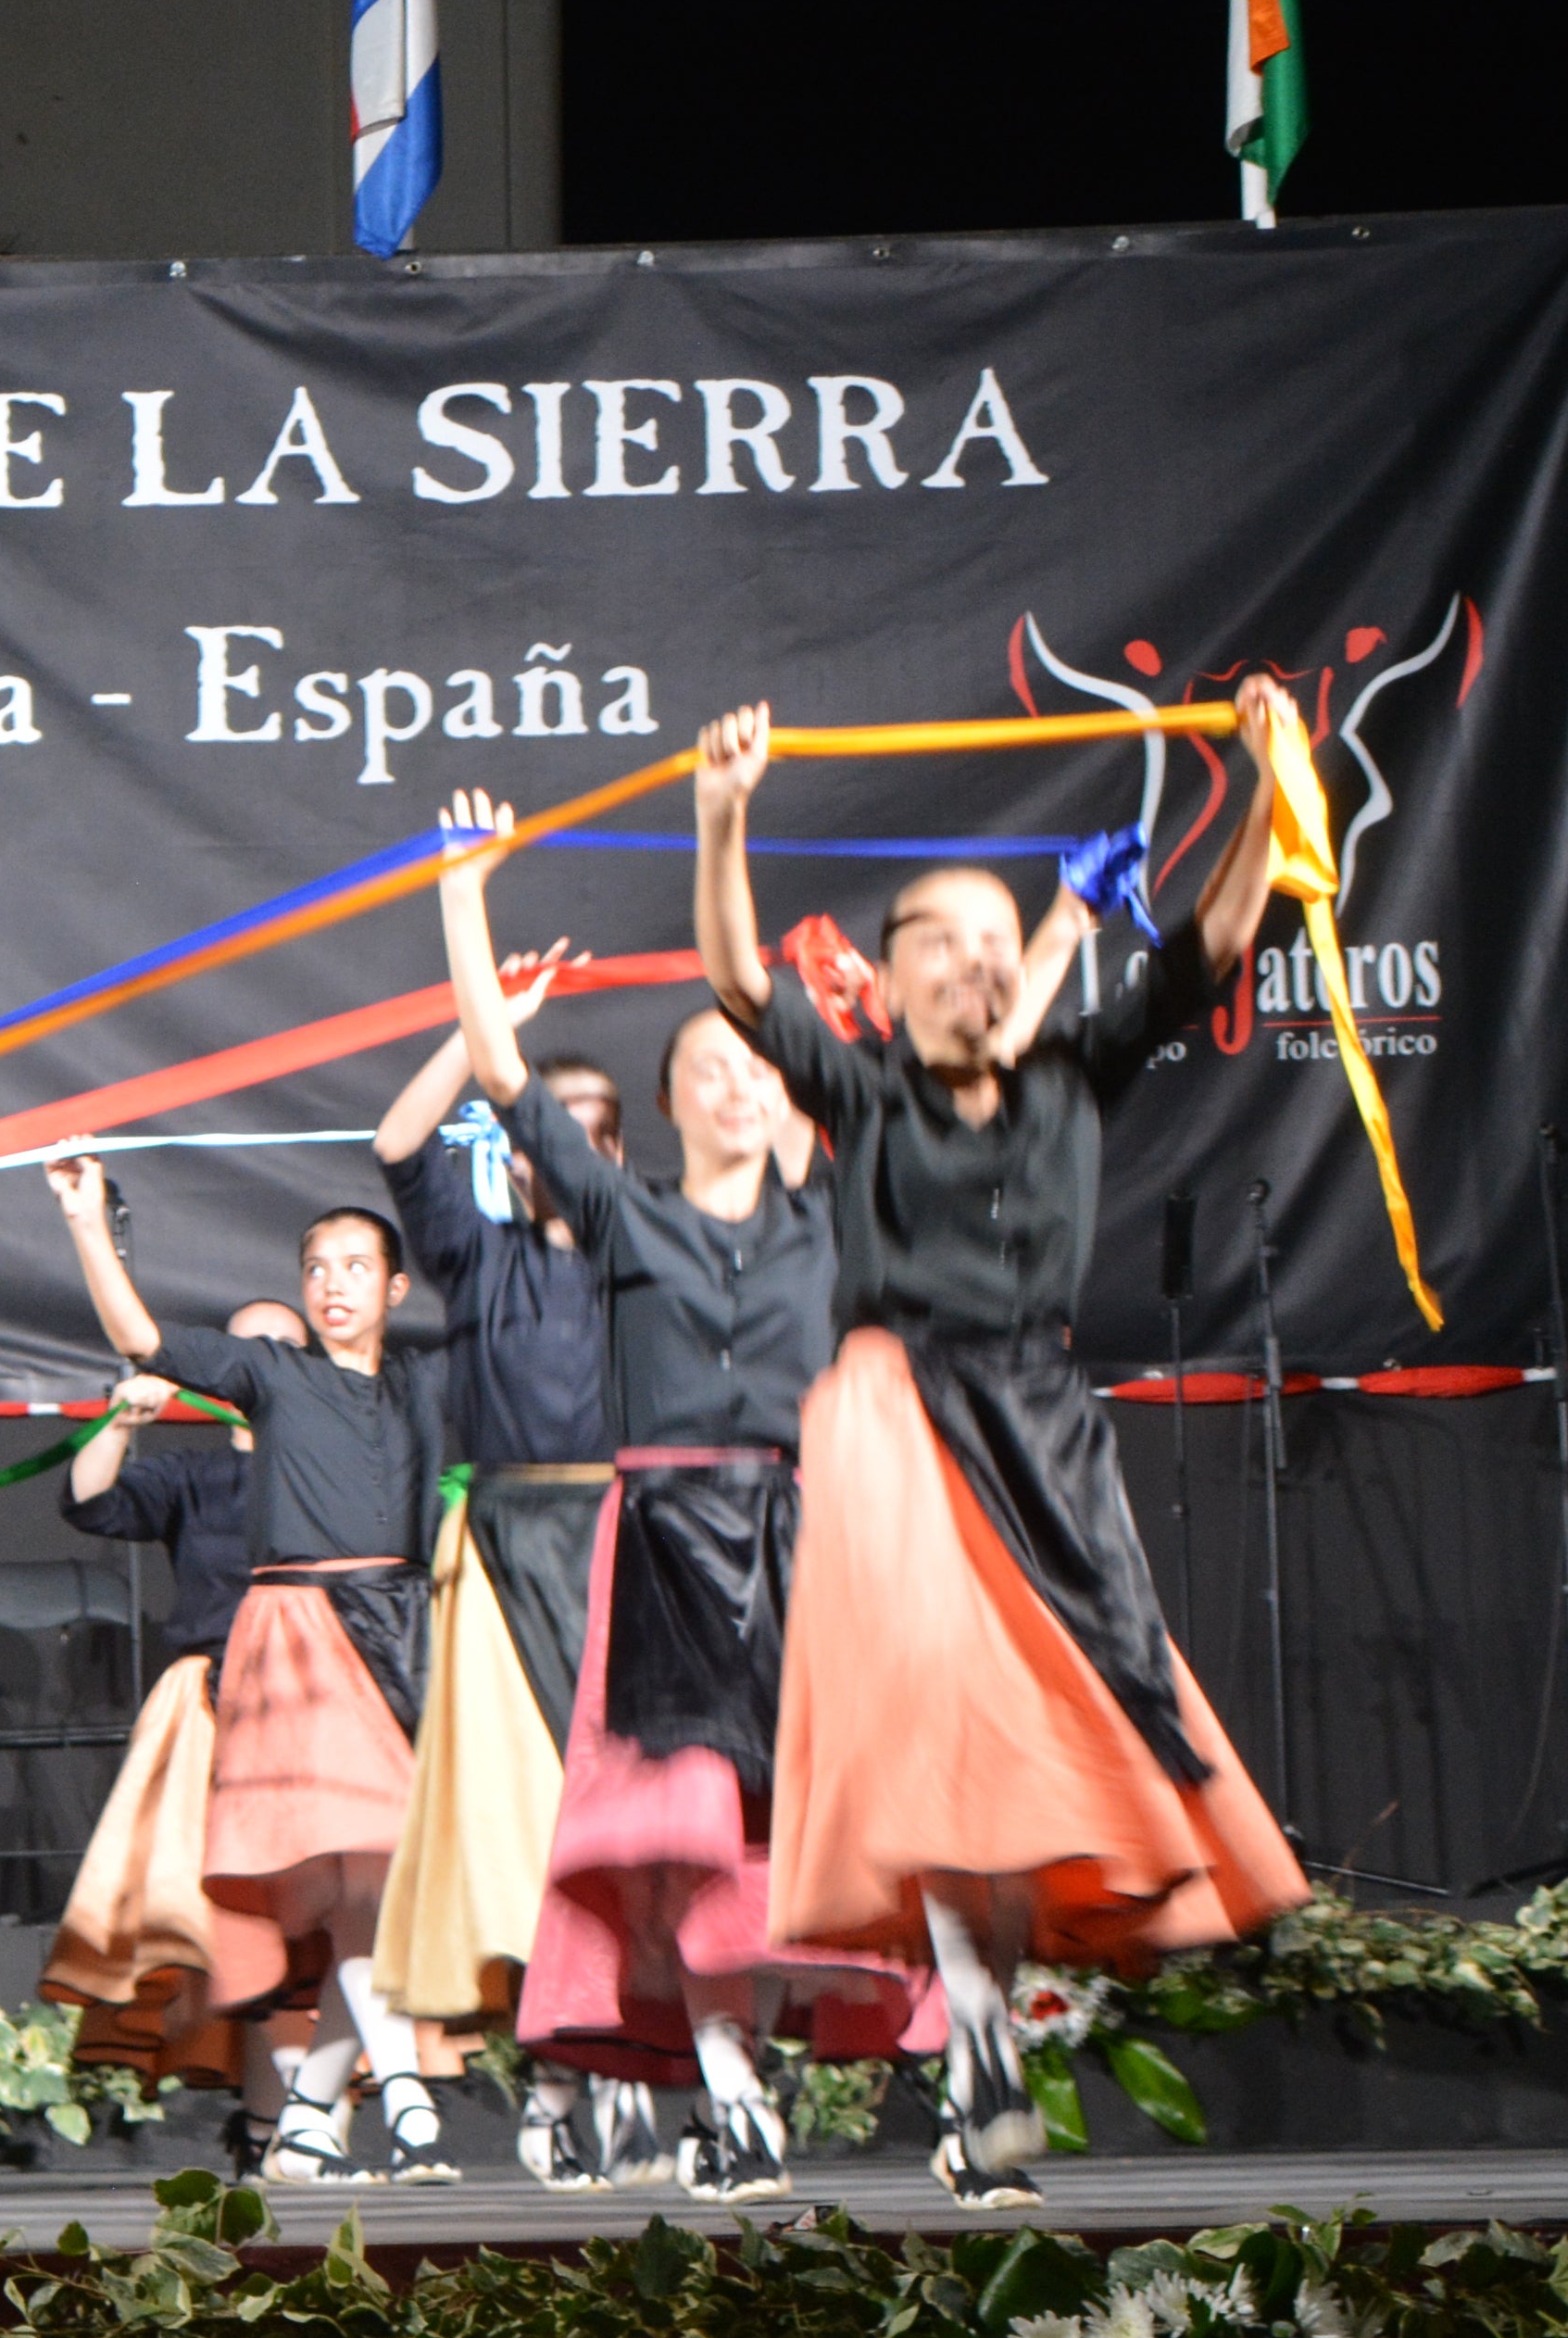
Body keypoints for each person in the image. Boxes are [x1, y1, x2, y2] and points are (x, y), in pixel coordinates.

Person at [696, 689, 1310, 2206]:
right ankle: (979, 2045)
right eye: (938, 943)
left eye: (996, 940)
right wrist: (726, 814)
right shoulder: (859, 1088)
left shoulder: (1073, 1072)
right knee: (940, 1733)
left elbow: (1221, 939)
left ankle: (987, 2053)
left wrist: (1260, 771)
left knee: (1031, 1751)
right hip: (897, 1417)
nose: (974, 962)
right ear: (888, 983)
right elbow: (731, 978)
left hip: (1040, 1424)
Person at [426, 793, 935, 2202]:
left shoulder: (834, 1215)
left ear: (788, 1087)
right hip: (659, 1544)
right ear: (667, 1105)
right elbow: (501, 1073)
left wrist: (742, 845)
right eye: (704, 1066)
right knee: (683, 1839)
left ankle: (749, 2092)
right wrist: (468, 894)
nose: (732, 1083)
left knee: (781, 1841)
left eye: (752, 1063)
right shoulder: (618, 1212)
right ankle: (728, 2091)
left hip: (798, 1544)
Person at [41, 1151, 450, 2181]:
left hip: (405, 1633)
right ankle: (398, 2087)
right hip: (302, 1640)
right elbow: (137, 1338)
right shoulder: (273, 1377)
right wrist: (88, 1221)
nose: (334, 1282)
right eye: (318, 1265)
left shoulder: (429, 1380)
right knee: (364, 1864)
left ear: (395, 1287)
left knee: (387, 1883)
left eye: (356, 1265)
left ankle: (313, 2105)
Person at [363, 934, 637, 2187]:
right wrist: (486, 1035)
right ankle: (555, 2082)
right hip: (509, 1546)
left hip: (634, 1548)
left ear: (617, 1153)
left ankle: (651, 2073)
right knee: (523, 1828)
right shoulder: (478, 1253)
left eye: (596, 1127)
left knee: (639, 1824)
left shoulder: (655, 1260)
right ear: (520, 1152)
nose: (570, 1147)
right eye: (548, 1125)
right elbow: (397, 1145)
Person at [38, 1301, 294, 2083]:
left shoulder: (345, 1468)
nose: (265, 1364)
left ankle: (302, 2115)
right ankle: (257, 2111)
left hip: (314, 1701)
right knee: (198, 1908)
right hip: (210, 1705)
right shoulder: (197, 1474)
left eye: (284, 1349)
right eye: (247, 1349)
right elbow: (89, 1503)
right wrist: (119, 1423)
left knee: (307, 1911)